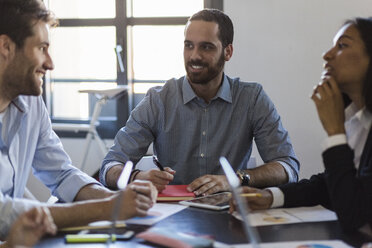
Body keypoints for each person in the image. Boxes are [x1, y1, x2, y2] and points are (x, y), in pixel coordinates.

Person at [0, 0, 157, 239]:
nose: (50, 63)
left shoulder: (31, 104)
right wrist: (108, 208)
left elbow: (61, 173)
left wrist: (117, 199)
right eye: (42, 48)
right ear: (6, 47)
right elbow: (3, 213)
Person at [100, 9, 299, 196]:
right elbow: (109, 166)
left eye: (206, 47)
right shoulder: (158, 100)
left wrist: (236, 179)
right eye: (189, 45)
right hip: (171, 217)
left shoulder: (252, 98)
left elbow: (288, 167)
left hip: (230, 215)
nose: (194, 56)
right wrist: (137, 177)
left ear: (228, 52)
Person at [234, 17, 372, 234]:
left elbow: (354, 213)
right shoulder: (358, 119)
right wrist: (271, 196)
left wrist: (335, 133)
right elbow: (330, 184)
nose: (326, 55)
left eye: (342, 45)